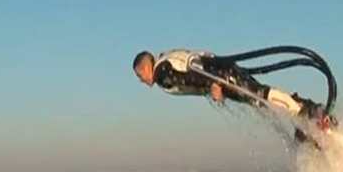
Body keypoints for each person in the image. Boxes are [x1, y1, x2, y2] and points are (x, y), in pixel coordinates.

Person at [132, 49, 332, 130]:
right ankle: (309, 113)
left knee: (260, 95)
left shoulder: (162, 73)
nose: (142, 81)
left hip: (221, 77)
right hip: (222, 73)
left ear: (145, 68)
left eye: (140, 76)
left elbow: (192, 74)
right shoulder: (168, 59)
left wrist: (213, 85)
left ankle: (308, 112)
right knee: (260, 98)